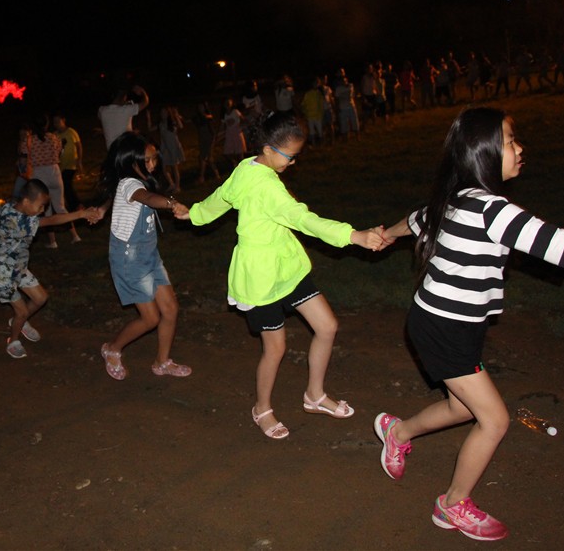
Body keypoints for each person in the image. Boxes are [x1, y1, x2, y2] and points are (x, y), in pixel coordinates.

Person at [374, 107, 564, 541]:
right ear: (484, 152)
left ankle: (396, 430)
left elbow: (418, 218)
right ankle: (452, 504)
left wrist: (387, 232)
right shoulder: (492, 210)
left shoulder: (459, 195)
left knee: (463, 407)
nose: (520, 148)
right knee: (494, 420)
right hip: (442, 324)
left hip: (450, 322)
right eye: (511, 140)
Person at [175, 112, 386, 439]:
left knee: (327, 326)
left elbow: (221, 196)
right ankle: (262, 408)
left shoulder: (248, 165)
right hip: (260, 278)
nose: (293, 163)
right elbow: (304, 219)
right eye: (290, 156)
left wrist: (195, 213)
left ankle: (314, 395)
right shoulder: (265, 185)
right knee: (275, 348)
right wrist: (354, 235)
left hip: (287, 267)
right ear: (270, 149)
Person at [96, 132, 192, 381]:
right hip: (130, 259)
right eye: (146, 160)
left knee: (170, 308)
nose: (152, 164)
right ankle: (112, 349)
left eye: (154, 159)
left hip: (149, 255)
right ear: (132, 162)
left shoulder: (138, 181)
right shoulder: (130, 184)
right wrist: (171, 204)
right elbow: (146, 198)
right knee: (150, 318)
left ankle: (162, 362)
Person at [0, 179, 99, 359]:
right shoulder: (23, 222)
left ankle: (19, 321)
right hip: (1, 272)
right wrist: (81, 214)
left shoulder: (8, 207)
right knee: (22, 310)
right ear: (26, 202)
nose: (42, 211)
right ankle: (13, 340)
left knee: (41, 298)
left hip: (18, 267)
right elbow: (53, 220)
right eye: (40, 206)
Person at [27, 114, 80, 248]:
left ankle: (52, 241)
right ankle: (75, 236)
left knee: (46, 209)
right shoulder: (53, 137)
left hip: (39, 173)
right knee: (60, 206)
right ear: (46, 124)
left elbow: (24, 155)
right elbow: (59, 153)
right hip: (54, 172)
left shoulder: (30, 140)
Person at [99, 85, 150, 150]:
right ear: (124, 97)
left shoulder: (102, 110)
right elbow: (145, 102)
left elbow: (113, 121)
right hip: (126, 151)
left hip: (111, 151)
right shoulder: (126, 110)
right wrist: (142, 92)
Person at [53, 113, 84, 214]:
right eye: (55, 122)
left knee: (66, 184)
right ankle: (71, 205)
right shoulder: (55, 135)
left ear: (63, 120)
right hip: (61, 165)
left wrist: (79, 160)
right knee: (65, 186)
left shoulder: (71, 132)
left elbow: (79, 146)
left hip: (71, 164)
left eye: (58, 121)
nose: (56, 124)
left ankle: (76, 205)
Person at [158, 104, 185, 193]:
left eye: (165, 112)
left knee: (174, 168)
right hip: (165, 148)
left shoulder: (172, 122)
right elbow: (162, 137)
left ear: (168, 113)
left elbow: (181, 126)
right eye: (162, 113)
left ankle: (178, 187)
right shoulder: (161, 124)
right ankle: (171, 183)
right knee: (164, 167)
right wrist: (161, 148)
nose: (163, 114)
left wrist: (176, 115)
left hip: (173, 147)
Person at [193, 101, 222, 183]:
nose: (200, 109)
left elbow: (211, 126)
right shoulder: (198, 118)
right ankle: (215, 175)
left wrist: (213, 140)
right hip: (203, 140)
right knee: (205, 158)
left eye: (202, 107)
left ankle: (203, 176)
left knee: (206, 158)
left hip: (208, 139)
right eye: (199, 107)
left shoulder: (208, 117)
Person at [332, 68, 359, 141]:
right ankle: (345, 138)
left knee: (354, 121)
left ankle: (357, 136)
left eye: (345, 80)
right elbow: (336, 98)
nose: (344, 81)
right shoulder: (338, 87)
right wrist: (337, 108)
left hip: (351, 106)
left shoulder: (350, 86)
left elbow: (353, 95)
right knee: (344, 123)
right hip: (342, 107)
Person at [220, 97, 247, 165]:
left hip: (237, 133)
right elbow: (222, 125)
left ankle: (242, 167)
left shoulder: (235, 112)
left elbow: (243, 119)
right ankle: (235, 163)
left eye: (229, 102)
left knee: (240, 153)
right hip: (229, 134)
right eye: (226, 102)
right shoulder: (224, 114)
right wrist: (219, 134)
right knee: (227, 153)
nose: (228, 104)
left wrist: (241, 125)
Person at [300, 76, 325, 146]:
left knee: (320, 130)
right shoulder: (308, 94)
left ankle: (321, 144)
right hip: (310, 115)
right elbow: (303, 104)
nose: (316, 84)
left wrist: (321, 113)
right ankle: (313, 143)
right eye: (315, 83)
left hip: (318, 116)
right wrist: (305, 112)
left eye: (317, 83)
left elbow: (321, 105)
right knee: (312, 131)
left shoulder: (319, 94)